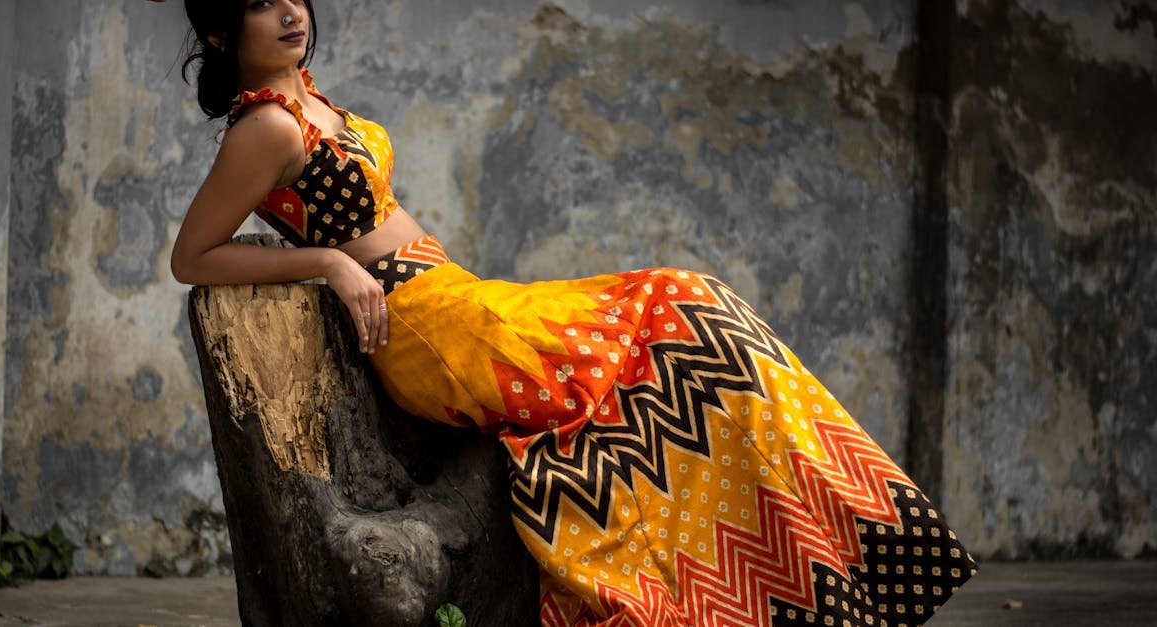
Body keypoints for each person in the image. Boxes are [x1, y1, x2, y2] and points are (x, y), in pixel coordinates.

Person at [169, 1, 977, 624]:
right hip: (433, 330)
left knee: (695, 318)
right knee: (685, 309)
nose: (290, 11)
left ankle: (841, 557)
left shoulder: (304, 100)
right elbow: (192, 257)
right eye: (260, 2)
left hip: (462, 297)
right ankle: (834, 574)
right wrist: (330, 261)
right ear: (218, 30)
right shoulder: (267, 126)